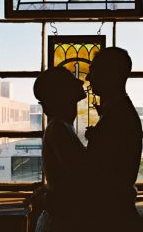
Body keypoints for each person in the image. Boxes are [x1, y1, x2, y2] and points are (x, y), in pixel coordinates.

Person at [85, 47, 143, 232]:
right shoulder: (119, 112)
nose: (88, 78)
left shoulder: (118, 116)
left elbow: (101, 172)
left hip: (112, 216)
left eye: (93, 71)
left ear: (111, 75)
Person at [33, 66, 88, 232]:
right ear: (62, 95)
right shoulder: (59, 128)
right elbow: (83, 171)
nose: (80, 82)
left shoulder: (61, 126)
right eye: (72, 81)